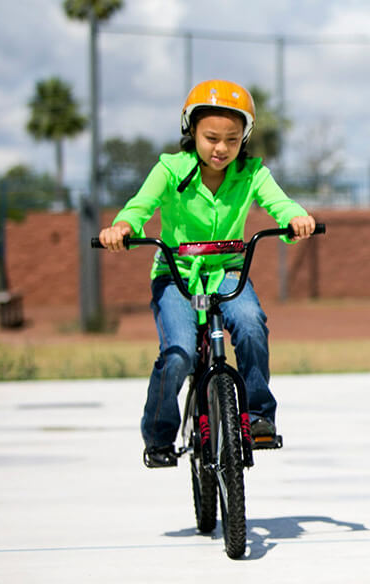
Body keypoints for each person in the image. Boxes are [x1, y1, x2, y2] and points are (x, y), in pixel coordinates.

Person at [97, 79, 316, 468]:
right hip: (177, 276)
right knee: (178, 354)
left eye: (232, 139)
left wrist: (296, 218)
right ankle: (160, 435)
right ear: (191, 132)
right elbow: (139, 206)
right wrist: (123, 228)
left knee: (250, 325)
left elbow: (280, 203)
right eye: (211, 137)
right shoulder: (170, 169)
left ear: (244, 138)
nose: (221, 148)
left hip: (228, 272)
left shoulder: (251, 174)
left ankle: (259, 415)